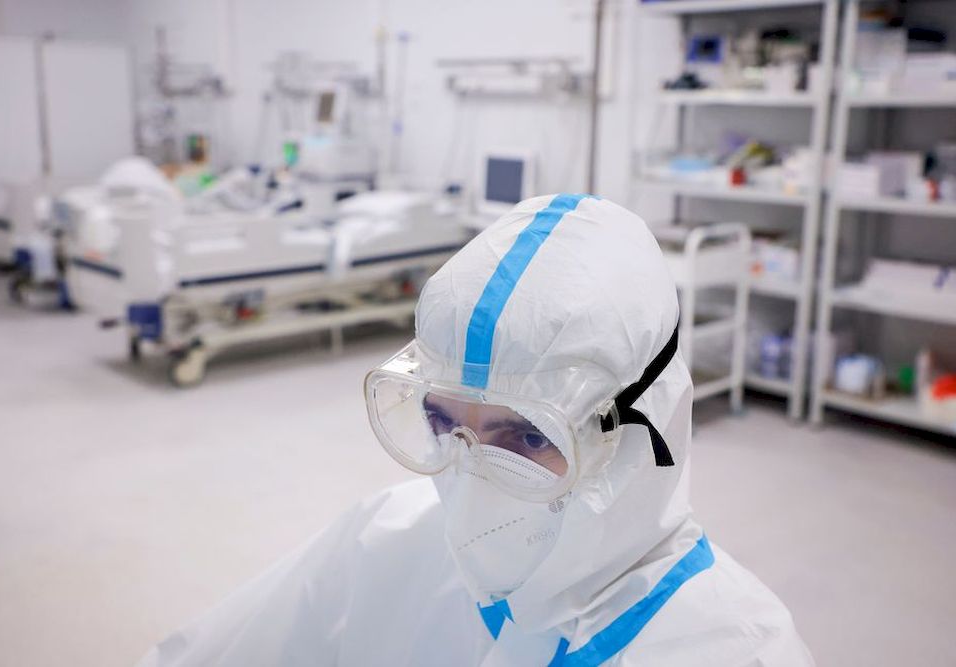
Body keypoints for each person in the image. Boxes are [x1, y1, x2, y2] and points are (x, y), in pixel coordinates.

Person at [138, 194, 813, 666]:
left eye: (527, 437)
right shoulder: (390, 537)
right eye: (443, 421)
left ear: (641, 435)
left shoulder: (740, 650)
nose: (471, 487)